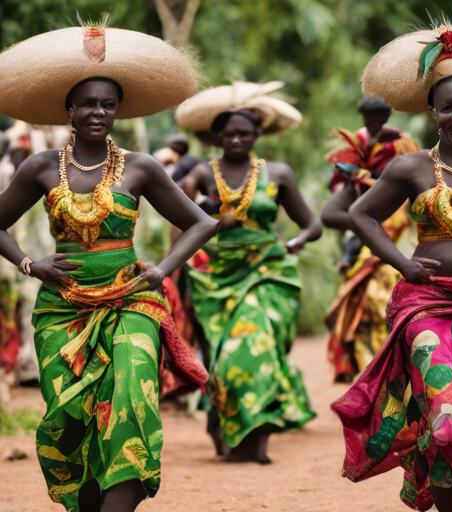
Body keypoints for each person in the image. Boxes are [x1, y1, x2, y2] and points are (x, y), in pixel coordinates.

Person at [0, 22, 218, 512]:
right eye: (88, 103)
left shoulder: (141, 167)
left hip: (130, 300)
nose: (98, 112)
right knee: (70, 417)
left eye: (108, 104)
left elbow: (202, 223)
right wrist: (31, 265)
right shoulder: (38, 166)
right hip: (61, 309)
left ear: (118, 110)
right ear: (69, 110)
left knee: (131, 399)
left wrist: (162, 270)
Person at [331, 17, 452, 512]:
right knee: (443, 401)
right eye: (448, 107)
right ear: (432, 111)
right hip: (425, 307)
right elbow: (359, 215)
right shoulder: (410, 167)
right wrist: (402, 266)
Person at [182, 108, 322, 463]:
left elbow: (312, 225)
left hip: (268, 272)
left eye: (244, 133)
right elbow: (181, 221)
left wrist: (296, 242)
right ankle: (222, 421)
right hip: (216, 276)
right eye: (228, 133)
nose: (236, 139)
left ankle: (258, 438)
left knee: (255, 341)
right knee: (221, 355)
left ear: (257, 135)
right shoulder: (200, 173)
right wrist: (178, 267)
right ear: (216, 138)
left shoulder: (278, 174)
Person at [322, 98, 419, 382]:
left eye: (380, 118)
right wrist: (366, 223)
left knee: (396, 316)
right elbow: (330, 214)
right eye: (369, 118)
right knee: (368, 313)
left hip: (407, 257)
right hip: (371, 255)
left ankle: (398, 378)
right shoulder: (361, 169)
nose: (374, 123)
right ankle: (375, 382)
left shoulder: (404, 149)